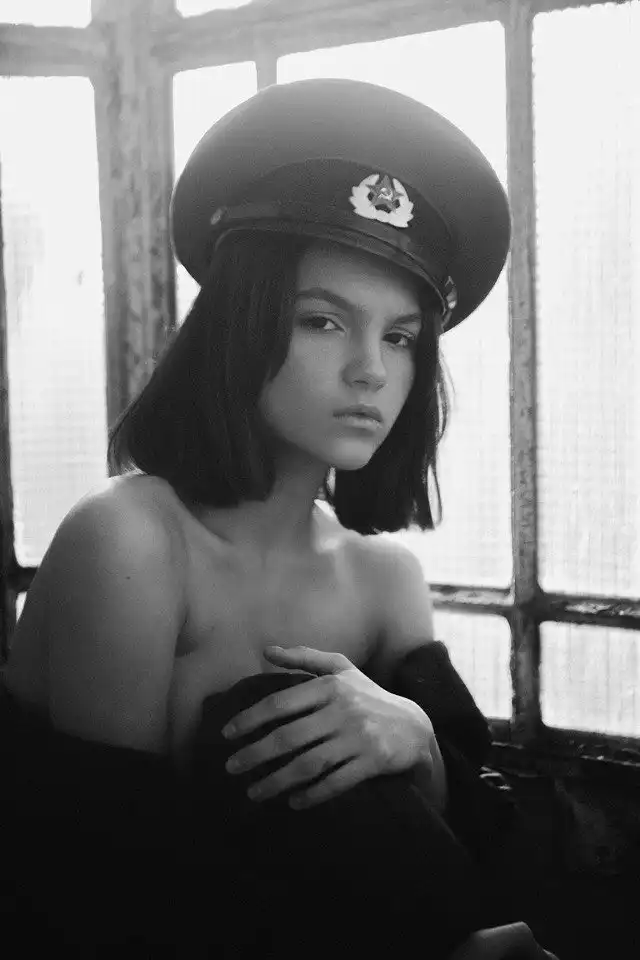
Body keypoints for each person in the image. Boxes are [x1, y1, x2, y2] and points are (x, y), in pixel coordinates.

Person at [0, 78, 557, 957]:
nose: (372, 370)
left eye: (401, 336)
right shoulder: (132, 540)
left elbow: (472, 857)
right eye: (324, 321)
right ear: (242, 326)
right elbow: (97, 894)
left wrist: (417, 743)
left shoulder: (384, 579)